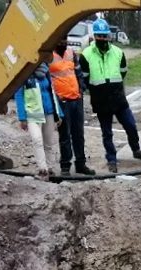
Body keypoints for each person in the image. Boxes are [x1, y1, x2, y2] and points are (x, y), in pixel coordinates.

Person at [79, 18, 141, 174]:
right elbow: (84, 78)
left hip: (118, 98)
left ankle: (136, 149)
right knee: (107, 133)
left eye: (105, 36)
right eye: (99, 36)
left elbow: (123, 72)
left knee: (130, 125)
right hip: (100, 100)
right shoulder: (86, 55)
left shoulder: (118, 53)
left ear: (109, 36)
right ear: (95, 36)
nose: (102, 39)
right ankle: (111, 159)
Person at [50, 37, 95, 176]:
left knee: (78, 134)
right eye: (60, 39)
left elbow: (78, 72)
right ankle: (65, 166)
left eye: (64, 38)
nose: (63, 42)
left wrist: (81, 90)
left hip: (76, 99)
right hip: (62, 101)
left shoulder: (71, 53)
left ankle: (80, 164)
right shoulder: (48, 56)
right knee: (65, 134)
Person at [15, 63, 62, 180]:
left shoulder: (46, 72)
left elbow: (52, 93)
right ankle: (43, 170)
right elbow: (19, 95)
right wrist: (22, 117)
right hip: (32, 115)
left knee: (49, 143)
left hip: (49, 113)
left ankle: (50, 169)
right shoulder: (25, 73)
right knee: (37, 140)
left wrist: (58, 112)